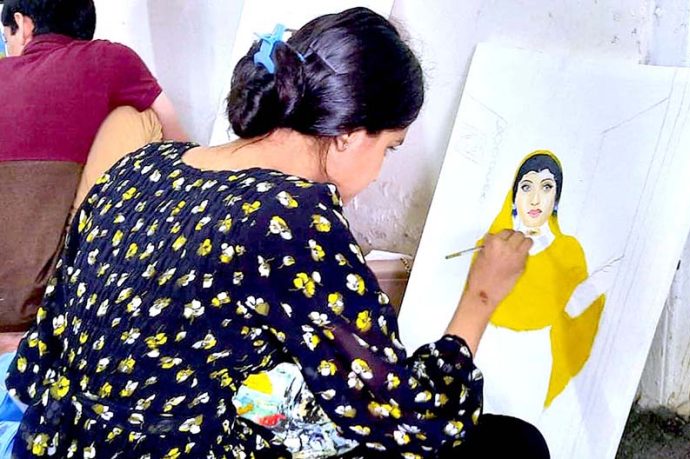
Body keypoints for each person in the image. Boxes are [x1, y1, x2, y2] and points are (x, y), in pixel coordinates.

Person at [1, 7, 548, 458]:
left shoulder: (142, 165)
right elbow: (408, 420)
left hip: (49, 440)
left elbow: (45, 352)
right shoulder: (293, 218)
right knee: (511, 444)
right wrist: (480, 298)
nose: (380, 169)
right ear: (349, 134)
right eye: (389, 148)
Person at [0, 0, 187, 345]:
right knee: (140, 117)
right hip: (43, 298)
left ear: (23, 24)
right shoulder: (110, 59)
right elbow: (181, 144)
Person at [475, 151, 608, 424]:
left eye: (546, 187)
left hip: (534, 355)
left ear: (556, 198)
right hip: (489, 346)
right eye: (527, 187)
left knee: (522, 431)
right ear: (514, 195)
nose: (535, 199)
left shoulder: (568, 250)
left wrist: (600, 282)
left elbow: (574, 312)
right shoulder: (491, 244)